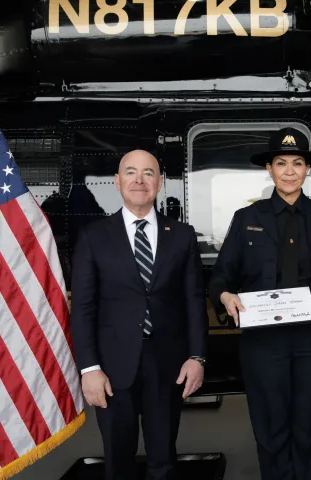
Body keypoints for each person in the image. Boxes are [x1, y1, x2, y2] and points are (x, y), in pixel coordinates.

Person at [208, 127, 311, 480]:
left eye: (297, 163)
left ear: (307, 169)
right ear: (270, 168)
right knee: (270, 427)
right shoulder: (247, 219)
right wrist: (225, 295)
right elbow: (220, 276)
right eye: (281, 163)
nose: (290, 171)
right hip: (263, 342)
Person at [70, 150, 208, 480]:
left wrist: (197, 358)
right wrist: (89, 369)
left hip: (168, 365)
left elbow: (193, 301)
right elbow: (84, 307)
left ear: (159, 183)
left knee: (164, 459)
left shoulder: (183, 236)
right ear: (117, 182)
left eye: (148, 173)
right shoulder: (93, 237)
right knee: (118, 460)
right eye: (130, 172)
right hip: (112, 367)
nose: (139, 180)